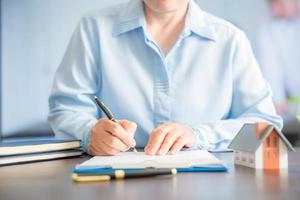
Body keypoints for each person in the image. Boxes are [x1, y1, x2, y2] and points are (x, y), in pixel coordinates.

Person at [48, 0, 282, 156]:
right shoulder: (93, 28)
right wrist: (90, 133)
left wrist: (200, 136)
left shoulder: (231, 39)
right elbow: (65, 111)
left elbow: (265, 129)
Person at [256, 0, 300, 118]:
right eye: (270, 4)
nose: (274, 10)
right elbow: (269, 62)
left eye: (278, 3)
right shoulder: (267, 18)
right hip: (291, 101)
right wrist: (277, 99)